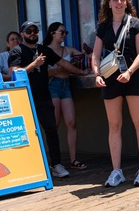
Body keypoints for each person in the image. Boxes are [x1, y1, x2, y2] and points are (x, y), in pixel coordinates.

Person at [91, 0, 139, 187]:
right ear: (109, 3)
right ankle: (116, 171)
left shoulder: (136, 24)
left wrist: (130, 72)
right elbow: (95, 54)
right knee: (114, 125)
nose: (118, 3)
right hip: (110, 77)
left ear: (127, 2)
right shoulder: (103, 27)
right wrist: (97, 74)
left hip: (131, 76)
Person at [9, 21, 84, 179]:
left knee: (51, 130)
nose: (33, 33)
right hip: (25, 97)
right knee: (27, 133)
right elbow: (15, 74)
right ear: (22, 33)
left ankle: (56, 164)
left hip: (44, 96)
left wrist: (80, 72)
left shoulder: (44, 50)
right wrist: (34, 64)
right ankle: (30, 166)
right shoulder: (17, 50)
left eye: (35, 30)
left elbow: (62, 63)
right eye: (29, 30)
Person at [44, 22, 87, 169]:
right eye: (61, 32)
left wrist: (79, 62)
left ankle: (73, 159)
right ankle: (53, 161)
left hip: (66, 85)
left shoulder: (67, 49)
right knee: (54, 124)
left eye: (65, 32)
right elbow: (44, 73)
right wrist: (63, 68)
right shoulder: (45, 50)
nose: (64, 35)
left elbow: (85, 55)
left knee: (71, 122)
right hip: (52, 86)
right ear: (52, 33)